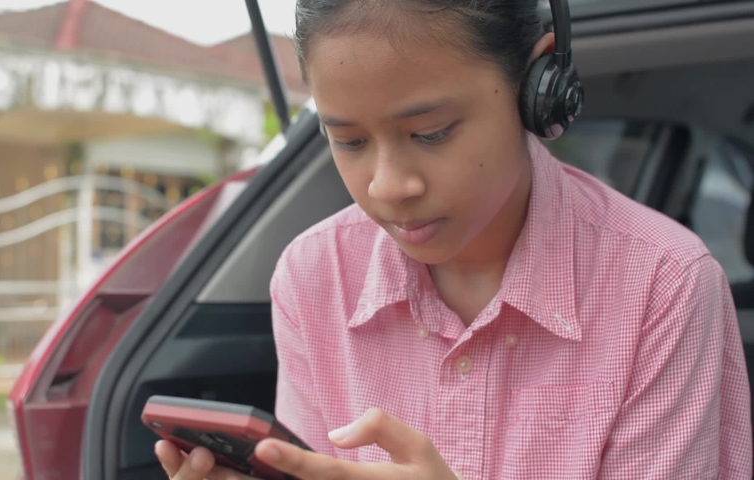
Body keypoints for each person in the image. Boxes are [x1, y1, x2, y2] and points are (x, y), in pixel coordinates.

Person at [156, 0, 753, 478]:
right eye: (350, 142)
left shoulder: (662, 284)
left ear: (537, 81)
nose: (389, 187)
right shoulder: (313, 275)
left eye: (432, 132)